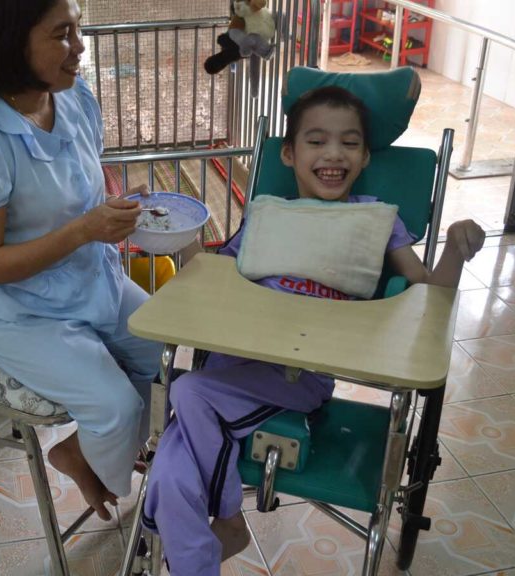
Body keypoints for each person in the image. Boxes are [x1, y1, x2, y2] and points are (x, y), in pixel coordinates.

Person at [140, 86, 486, 574]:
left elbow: (428, 298)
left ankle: (226, 521)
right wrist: (174, 237)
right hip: (232, 359)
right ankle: (211, 550)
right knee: (170, 473)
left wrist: (453, 248)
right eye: (316, 141)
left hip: (297, 376)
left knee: (188, 391)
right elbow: (213, 276)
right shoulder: (266, 213)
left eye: (349, 143)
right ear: (289, 153)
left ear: (366, 156)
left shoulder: (375, 218)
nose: (332, 154)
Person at [0, 0, 163, 522]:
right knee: (117, 408)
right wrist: (86, 229)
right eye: (62, 34)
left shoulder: (70, 96)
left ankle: (86, 450)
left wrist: (118, 208)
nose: (79, 47)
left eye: (77, 29)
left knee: (162, 350)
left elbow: (80, 180)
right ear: (12, 43)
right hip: (18, 309)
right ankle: (87, 456)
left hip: (87, 276)